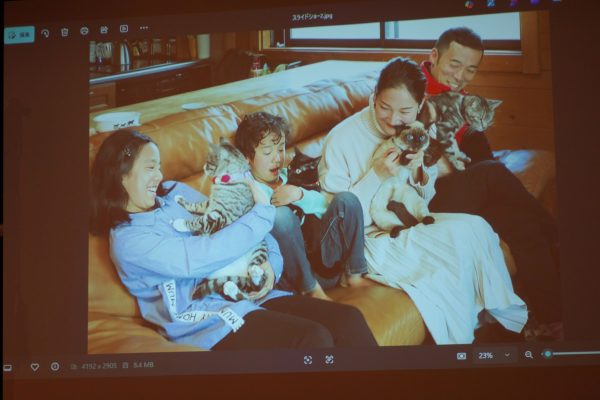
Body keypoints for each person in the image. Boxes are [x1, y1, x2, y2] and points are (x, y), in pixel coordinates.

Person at [89, 129, 377, 350]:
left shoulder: (174, 192)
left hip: (251, 293)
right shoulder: (129, 241)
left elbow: (235, 221)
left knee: (348, 319)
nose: (160, 175)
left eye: (160, 166)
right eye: (150, 167)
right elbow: (202, 254)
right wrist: (263, 211)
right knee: (312, 339)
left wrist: (271, 267)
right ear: (120, 174)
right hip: (209, 318)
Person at [319, 57, 528, 344]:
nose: (394, 119)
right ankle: (460, 347)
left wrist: (419, 171)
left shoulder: (416, 131)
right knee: (443, 265)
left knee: (475, 228)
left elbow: (425, 200)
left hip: (408, 223)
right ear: (374, 96)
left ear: (420, 106)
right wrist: (376, 175)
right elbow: (337, 220)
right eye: (384, 107)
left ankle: (498, 336)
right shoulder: (341, 139)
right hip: (366, 241)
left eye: (405, 111)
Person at [423, 27, 562, 340]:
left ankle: (554, 319)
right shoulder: (411, 91)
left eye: (470, 70)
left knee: (522, 225)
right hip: (424, 198)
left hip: (464, 192)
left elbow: (480, 155)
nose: (460, 77)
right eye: (454, 65)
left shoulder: (463, 101)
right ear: (434, 56)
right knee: (492, 173)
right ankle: (558, 233)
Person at [234, 112, 374, 302]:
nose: (277, 158)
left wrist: (299, 194)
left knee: (347, 200)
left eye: (281, 149)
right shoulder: (248, 189)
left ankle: (353, 275)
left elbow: (325, 208)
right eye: (267, 152)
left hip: (325, 265)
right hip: (293, 279)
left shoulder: (292, 174)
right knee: (281, 216)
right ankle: (310, 290)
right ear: (247, 158)